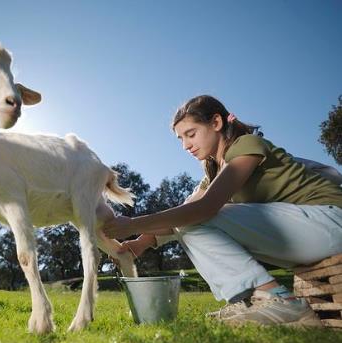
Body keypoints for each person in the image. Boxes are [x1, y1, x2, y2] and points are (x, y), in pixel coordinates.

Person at [103, 95, 342, 327]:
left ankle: (281, 300)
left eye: (191, 134)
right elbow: (186, 214)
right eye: (180, 139)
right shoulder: (213, 175)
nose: (186, 145)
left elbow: (205, 209)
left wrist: (132, 223)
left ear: (216, 123)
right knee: (190, 214)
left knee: (199, 214)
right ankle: (254, 299)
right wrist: (139, 243)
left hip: (330, 221)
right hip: (304, 235)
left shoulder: (248, 145)